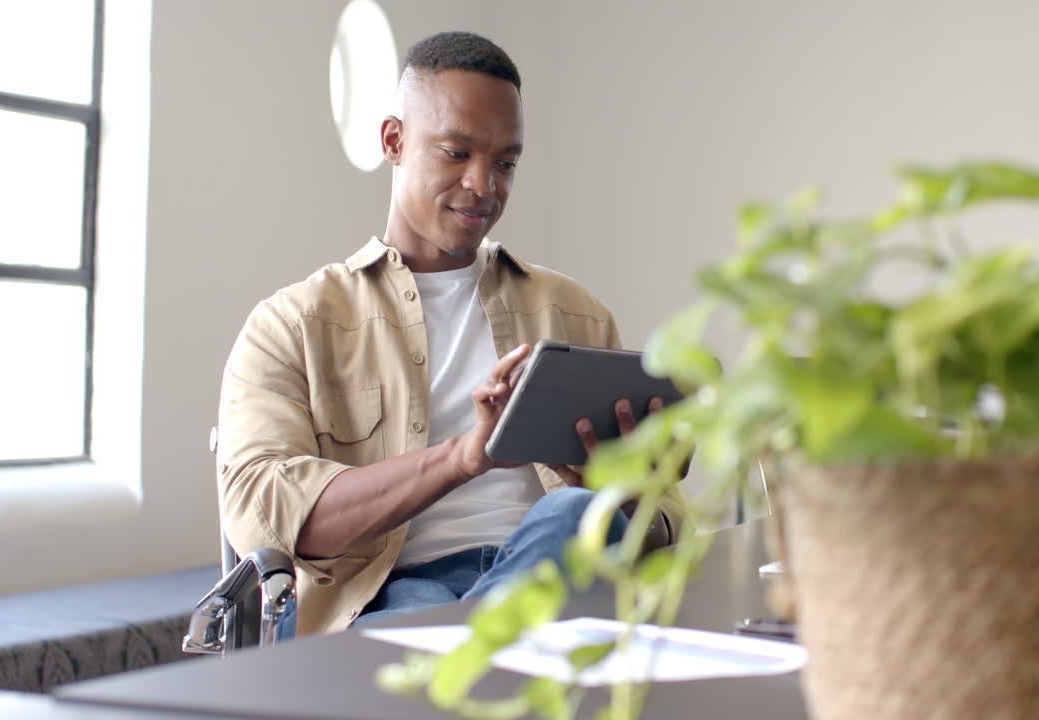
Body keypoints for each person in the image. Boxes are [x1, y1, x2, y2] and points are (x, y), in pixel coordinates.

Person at [215, 31, 686, 638]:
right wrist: (462, 458)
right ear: (394, 141)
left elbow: (662, 522)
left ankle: (474, 657)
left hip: (555, 569)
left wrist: (617, 495)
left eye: (506, 162)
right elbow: (263, 518)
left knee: (571, 514)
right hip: (386, 597)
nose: (484, 186)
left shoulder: (575, 312)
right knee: (428, 632)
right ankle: (487, 655)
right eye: (456, 153)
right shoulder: (293, 324)